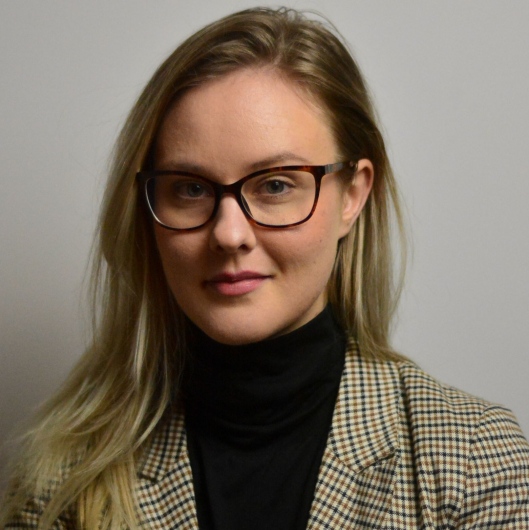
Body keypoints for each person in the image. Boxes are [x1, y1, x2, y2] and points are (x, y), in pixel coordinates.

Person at [1, 6, 528, 529]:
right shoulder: (60, 485)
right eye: (190, 189)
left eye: (275, 184)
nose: (229, 234)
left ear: (352, 195)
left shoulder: (473, 463)